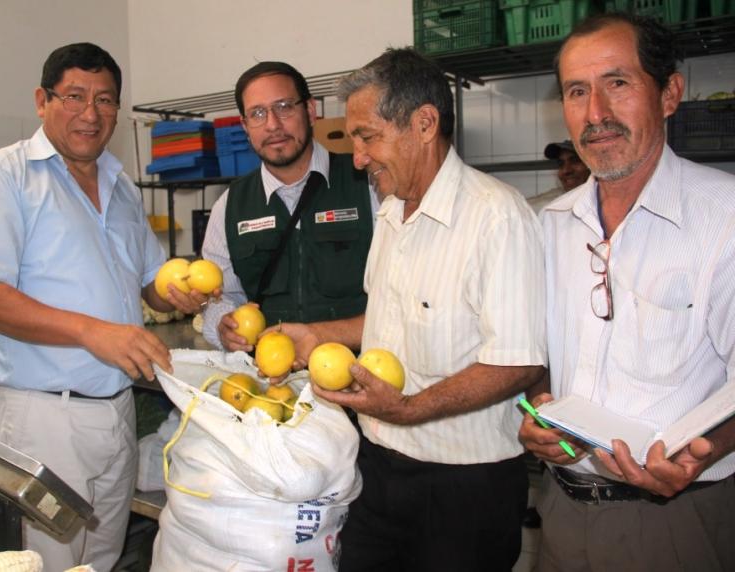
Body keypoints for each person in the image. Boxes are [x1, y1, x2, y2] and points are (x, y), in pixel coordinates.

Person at [276, 48, 547, 571]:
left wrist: (409, 409)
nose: (357, 158)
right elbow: (388, 320)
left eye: (368, 137)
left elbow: (519, 361)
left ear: (425, 123)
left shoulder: (497, 217)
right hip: (378, 469)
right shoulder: (392, 212)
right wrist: (318, 332)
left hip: (464, 487)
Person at [0, 43, 200, 571]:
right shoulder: (4, 176)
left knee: (101, 558)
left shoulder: (120, 184)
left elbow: (147, 283)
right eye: (75, 96)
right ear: (42, 101)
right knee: (45, 561)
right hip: (43, 416)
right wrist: (93, 332)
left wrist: (174, 289)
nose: (91, 113)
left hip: (116, 409)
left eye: (106, 100)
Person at [518, 13, 735, 572]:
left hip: (678, 520)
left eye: (618, 83)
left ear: (670, 93)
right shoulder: (549, 226)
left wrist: (701, 452)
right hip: (562, 510)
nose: (596, 114)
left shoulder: (724, 217)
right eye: (577, 91)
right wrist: (542, 413)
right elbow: (542, 358)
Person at [200, 61, 377, 352]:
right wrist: (222, 325)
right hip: (271, 383)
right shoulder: (228, 207)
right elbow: (219, 297)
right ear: (245, 126)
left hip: (361, 376)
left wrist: (323, 335)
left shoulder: (366, 183)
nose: (272, 124)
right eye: (257, 113)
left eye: (284, 107)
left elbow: (402, 299)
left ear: (309, 111)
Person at [529, 139, 592, 213]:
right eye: (561, 164)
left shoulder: (604, 204)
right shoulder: (550, 207)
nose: (566, 170)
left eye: (575, 160)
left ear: (592, 164)